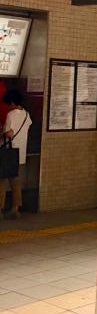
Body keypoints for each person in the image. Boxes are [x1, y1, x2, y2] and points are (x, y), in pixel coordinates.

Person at [2, 89, 31, 219]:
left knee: (1, 181)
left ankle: (1, 208)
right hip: (20, 153)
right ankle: (15, 208)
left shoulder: (11, 114)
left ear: (12, 102)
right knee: (15, 182)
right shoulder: (26, 115)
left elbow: (9, 133)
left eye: (8, 103)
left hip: (8, 153)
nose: (8, 106)